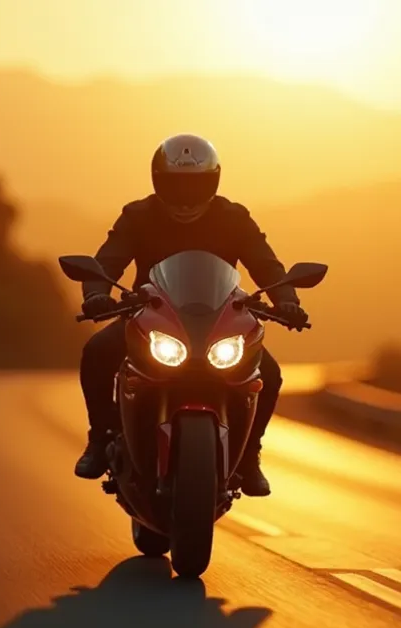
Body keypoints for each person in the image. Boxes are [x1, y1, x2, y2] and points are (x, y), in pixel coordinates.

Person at [73, 133, 306, 497]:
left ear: (213, 181)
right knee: (97, 353)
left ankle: (248, 455)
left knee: (269, 373)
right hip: (150, 318)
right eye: (175, 185)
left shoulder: (233, 217)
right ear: (157, 181)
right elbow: (108, 260)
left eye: (195, 186)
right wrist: (96, 295)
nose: (185, 197)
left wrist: (287, 300)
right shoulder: (138, 215)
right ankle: (101, 437)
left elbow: (267, 265)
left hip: (219, 322)